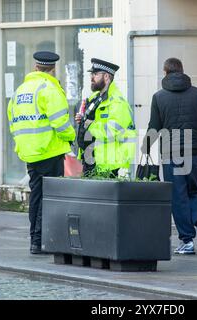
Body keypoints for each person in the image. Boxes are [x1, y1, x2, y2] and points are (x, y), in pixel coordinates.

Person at [141, 58, 197, 254]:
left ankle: (187, 240)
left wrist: (145, 148)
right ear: (182, 71)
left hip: (171, 154)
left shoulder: (159, 97)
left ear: (165, 72)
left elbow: (154, 127)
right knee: (195, 190)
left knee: (178, 196)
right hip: (194, 152)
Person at [8, 51, 76, 254]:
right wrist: (71, 136)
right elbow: (60, 122)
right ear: (52, 69)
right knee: (50, 196)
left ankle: (34, 240)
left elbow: (12, 121)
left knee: (36, 195)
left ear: (36, 67)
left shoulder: (20, 90)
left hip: (29, 152)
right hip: (49, 150)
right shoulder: (49, 88)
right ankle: (41, 241)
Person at [75, 58, 136, 176]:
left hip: (106, 163)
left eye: (95, 74)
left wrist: (89, 124)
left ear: (107, 77)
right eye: (91, 74)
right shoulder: (95, 98)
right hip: (90, 159)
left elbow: (111, 131)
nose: (91, 78)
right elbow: (90, 120)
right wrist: (82, 120)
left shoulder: (118, 103)